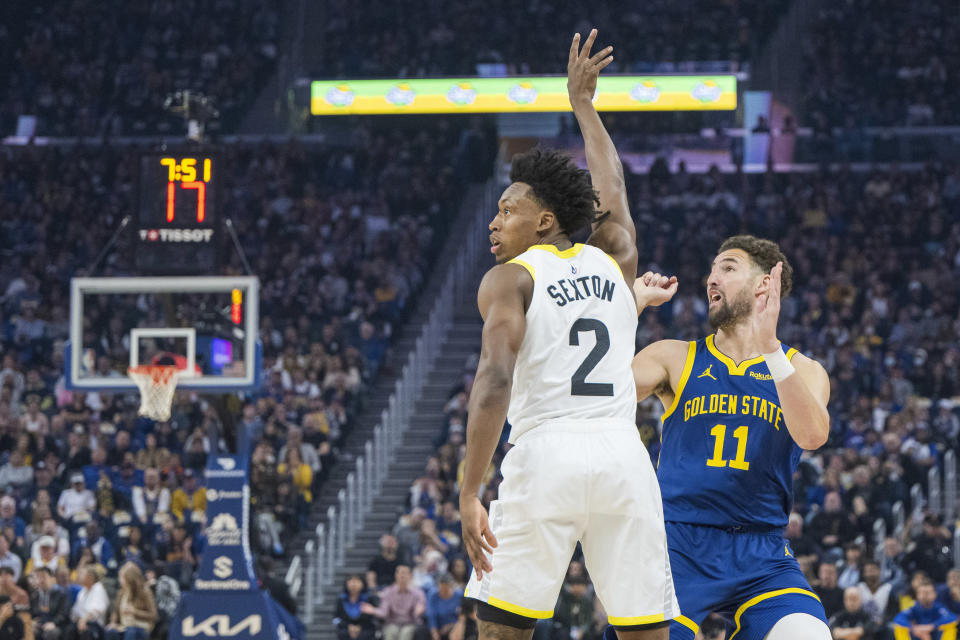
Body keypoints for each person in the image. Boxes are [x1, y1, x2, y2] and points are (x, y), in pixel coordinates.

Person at [459, 29, 678, 640]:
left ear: (545, 220)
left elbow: (494, 378)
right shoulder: (614, 258)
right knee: (647, 631)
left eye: (509, 210)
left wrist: (470, 489)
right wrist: (585, 106)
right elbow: (614, 191)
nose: (496, 221)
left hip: (545, 454)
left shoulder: (510, 279)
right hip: (623, 459)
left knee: (502, 630)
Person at [624, 235, 832, 640]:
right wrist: (627, 309)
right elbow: (599, 390)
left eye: (728, 268)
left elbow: (812, 435)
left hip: (762, 552)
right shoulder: (675, 356)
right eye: (712, 269)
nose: (711, 278)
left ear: (763, 286)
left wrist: (770, 349)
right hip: (677, 544)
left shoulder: (802, 369)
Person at [361, 565, 426, 640]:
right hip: (392, 623)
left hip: (410, 623)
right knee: (391, 632)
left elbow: (419, 611)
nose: (402, 575)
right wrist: (373, 610)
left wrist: (419, 610)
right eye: (399, 573)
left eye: (405, 573)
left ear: (410, 575)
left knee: (406, 633)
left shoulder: (418, 592)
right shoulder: (388, 591)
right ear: (396, 575)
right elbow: (384, 612)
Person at [104, 562, 156, 640]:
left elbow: (153, 615)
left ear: (130, 578)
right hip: (124, 627)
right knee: (110, 632)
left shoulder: (144, 592)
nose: (120, 580)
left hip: (140, 627)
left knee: (131, 631)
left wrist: (135, 612)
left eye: (122, 577)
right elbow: (116, 612)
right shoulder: (121, 593)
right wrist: (113, 623)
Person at [892, 579, 958, 640]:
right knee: (899, 627)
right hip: (917, 637)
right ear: (917, 595)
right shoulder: (914, 608)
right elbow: (898, 618)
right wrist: (914, 628)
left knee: (950, 627)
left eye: (928, 592)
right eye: (922, 593)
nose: (924, 596)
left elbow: (952, 618)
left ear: (935, 594)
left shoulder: (939, 608)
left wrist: (931, 626)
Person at [67, 567, 108, 640]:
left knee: (86, 632)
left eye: (82, 574)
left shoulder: (98, 588)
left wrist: (84, 620)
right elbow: (75, 611)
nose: (78, 576)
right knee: (70, 630)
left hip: (95, 624)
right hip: (81, 621)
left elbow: (96, 610)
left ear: (90, 577)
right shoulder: (82, 591)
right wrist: (79, 620)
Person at [30, 567, 71, 640]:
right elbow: (31, 612)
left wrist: (54, 623)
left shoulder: (61, 594)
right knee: (30, 630)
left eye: (43, 577)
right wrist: (32, 621)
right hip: (40, 624)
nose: (41, 580)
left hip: (56, 624)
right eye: (38, 577)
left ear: (52, 578)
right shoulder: (34, 595)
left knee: (50, 633)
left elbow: (63, 614)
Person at [334, 574, 377, 640]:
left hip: (365, 629)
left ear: (363, 584)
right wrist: (348, 626)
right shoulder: (341, 599)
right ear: (346, 584)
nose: (353, 584)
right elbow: (336, 618)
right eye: (350, 581)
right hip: (346, 629)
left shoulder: (369, 598)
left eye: (357, 581)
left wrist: (360, 627)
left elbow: (373, 617)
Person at [428, 574, 463, 640]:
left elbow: (463, 618)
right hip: (438, 627)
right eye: (441, 587)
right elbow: (431, 615)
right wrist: (434, 632)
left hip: (454, 627)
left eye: (446, 587)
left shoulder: (459, 596)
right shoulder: (433, 596)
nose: (443, 590)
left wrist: (451, 626)